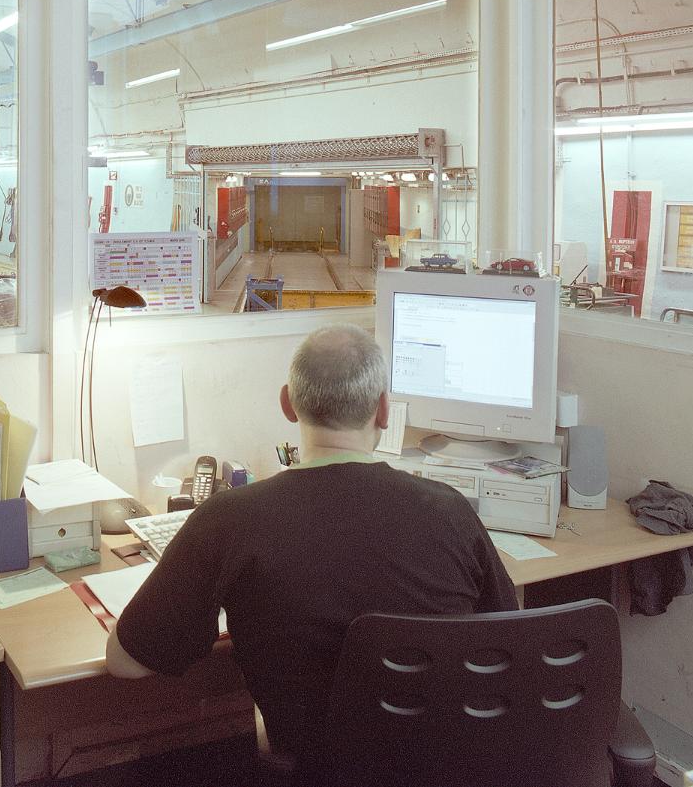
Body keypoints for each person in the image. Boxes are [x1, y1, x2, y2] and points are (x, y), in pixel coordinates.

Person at [104, 323, 517, 767]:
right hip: (451, 769)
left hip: (316, 767)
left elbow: (126, 662)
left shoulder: (228, 518)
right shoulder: (449, 510)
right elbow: (508, 636)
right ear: (382, 411)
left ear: (288, 403)